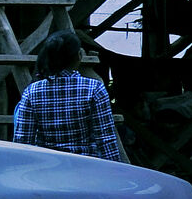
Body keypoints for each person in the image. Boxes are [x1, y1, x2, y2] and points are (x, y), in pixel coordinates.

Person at [11, 32, 125, 162]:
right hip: (86, 166)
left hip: (47, 167)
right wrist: (115, 169)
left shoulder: (32, 92)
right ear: (79, 56)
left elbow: (23, 140)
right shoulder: (94, 89)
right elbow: (105, 140)